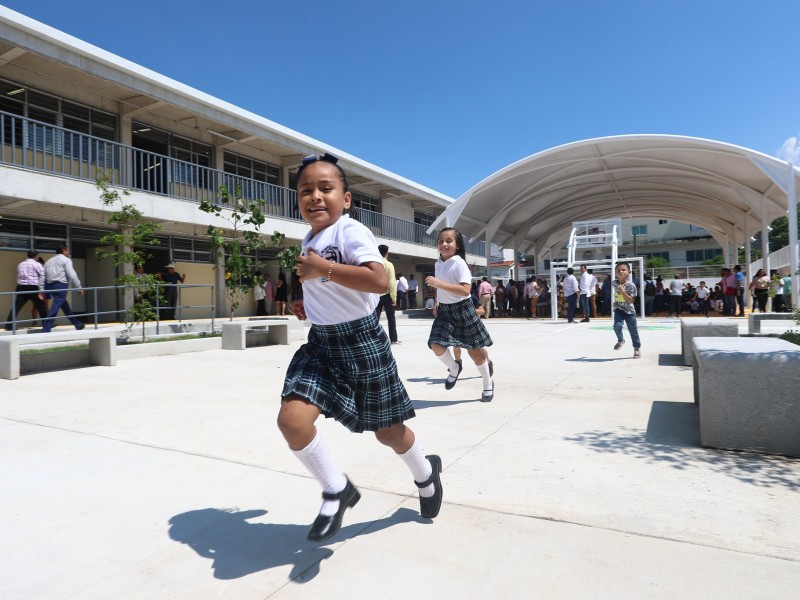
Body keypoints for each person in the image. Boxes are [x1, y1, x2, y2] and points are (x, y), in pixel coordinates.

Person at [277, 153, 442, 542]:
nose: (315, 196)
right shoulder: (311, 238)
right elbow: (329, 288)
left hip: (362, 343)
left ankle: (425, 473)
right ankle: (336, 487)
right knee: (292, 420)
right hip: (322, 344)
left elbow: (375, 281)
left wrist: (323, 270)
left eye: (325, 188)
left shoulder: (350, 231)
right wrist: (308, 302)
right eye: (305, 191)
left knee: (388, 433)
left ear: (346, 199)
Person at [425, 227, 495, 401]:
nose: (444, 244)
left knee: (474, 352)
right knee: (436, 344)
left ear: (457, 245)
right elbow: (440, 287)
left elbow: (465, 290)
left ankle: (487, 384)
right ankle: (455, 368)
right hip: (445, 310)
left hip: (462, 309)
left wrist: (439, 284)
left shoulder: (459, 263)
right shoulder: (438, 262)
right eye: (441, 241)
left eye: (449, 241)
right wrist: (437, 300)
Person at [41, 244, 85, 332]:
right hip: (61, 285)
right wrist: (79, 287)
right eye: (68, 250)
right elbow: (72, 274)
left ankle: (77, 324)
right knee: (56, 306)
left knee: (64, 306)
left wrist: (41, 289)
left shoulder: (49, 261)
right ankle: (46, 326)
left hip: (51, 285)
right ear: (64, 250)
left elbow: (42, 276)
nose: (69, 252)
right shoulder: (66, 260)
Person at [5, 250, 48, 331]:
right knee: (41, 306)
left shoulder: (20, 264)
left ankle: (9, 325)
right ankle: (46, 324)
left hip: (21, 287)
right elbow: (43, 275)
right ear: (36, 256)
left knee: (17, 307)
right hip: (32, 286)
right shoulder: (36, 264)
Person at [611, 261, 641, 359]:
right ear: (616, 273)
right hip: (619, 309)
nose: (621, 272)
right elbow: (617, 294)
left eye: (623, 270)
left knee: (633, 331)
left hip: (629, 311)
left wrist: (623, 292)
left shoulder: (631, 286)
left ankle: (636, 348)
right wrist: (616, 300)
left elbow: (631, 300)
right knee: (617, 325)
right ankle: (620, 340)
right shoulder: (614, 283)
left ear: (629, 272)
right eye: (618, 270)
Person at [375, 244, 399, 344]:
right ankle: (393, 339)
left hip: (375, 295)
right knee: (391, 318)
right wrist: (394, 297)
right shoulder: (389, 265)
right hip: (387, 294)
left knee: (375, 319)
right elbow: (392, 282)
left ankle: (374, 339)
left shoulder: (375, 264)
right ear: (386, 253)